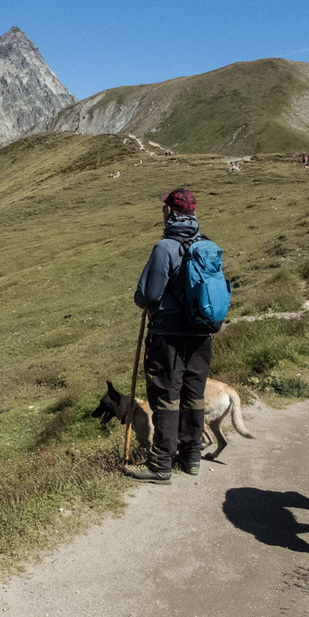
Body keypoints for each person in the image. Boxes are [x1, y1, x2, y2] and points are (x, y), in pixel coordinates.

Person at [124, 188, 216, 484]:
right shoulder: (207, 245)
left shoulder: (165, 248)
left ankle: (161, 464)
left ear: (171, 213)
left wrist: (142, 298)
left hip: (168, 335)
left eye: (164, 207)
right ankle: (191, 458)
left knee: (165, 397)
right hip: (201, 334)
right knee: (194, 396)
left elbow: (147, 294)